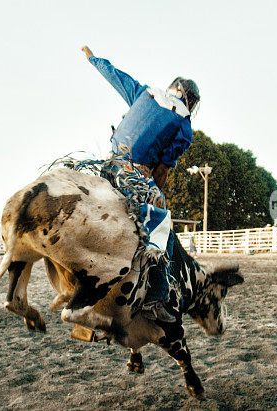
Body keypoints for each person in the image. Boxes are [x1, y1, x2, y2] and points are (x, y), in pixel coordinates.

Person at [83, 45, 200, 322]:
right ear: (190, 101)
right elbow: (161, 170)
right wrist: (157, 193)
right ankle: (158, 297)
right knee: (162, 223)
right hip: (134, 175)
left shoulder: (143, 92)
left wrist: (92, 58)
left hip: (107, 165)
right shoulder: (183, 124)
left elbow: (115, 76)